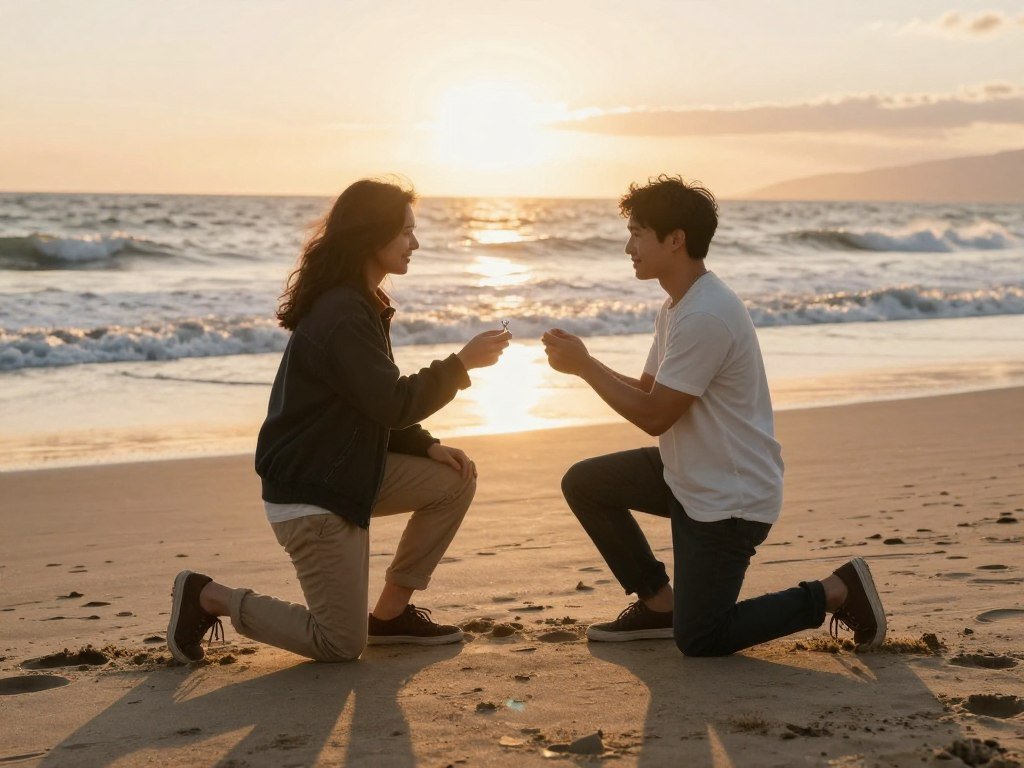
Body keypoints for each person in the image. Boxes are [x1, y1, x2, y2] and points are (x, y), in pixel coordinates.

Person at [167, 178, 511, 663]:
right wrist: (461, 365)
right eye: (406, 232)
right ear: (373, 235)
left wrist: (425, 445)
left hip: (343, 470)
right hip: (313, 493)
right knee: (340, 644)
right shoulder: (343, 312)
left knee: (454, 479)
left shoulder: (361, 303)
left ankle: (390, 617)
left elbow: (368, 401)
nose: (415, 243)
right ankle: (207, 595)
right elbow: (392, 402)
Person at [542, 175, 886, 655]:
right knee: (585, 483)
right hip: (689, 473)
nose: (628, 248)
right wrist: (586, 363)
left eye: (638, 233)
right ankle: (659, 604)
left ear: (676, 239)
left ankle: (836, 590)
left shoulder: (706, 314)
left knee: (702, 638)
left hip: (729, 498)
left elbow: (655, 416)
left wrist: (584, 366)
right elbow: (649, 390)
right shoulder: (677, 307)